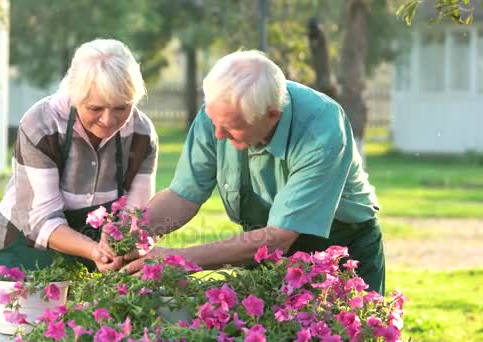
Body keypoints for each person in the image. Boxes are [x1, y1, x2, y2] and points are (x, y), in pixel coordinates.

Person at [120, 50, 385, 294]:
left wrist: (177, 258)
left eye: (232, 128)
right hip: (258, 248)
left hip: (338, 248)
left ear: (272, 114)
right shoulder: (220, 111)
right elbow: (182, 196)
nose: (218, 135)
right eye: (215, 122)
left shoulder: (321, 127)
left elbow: (278, 238)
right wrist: (132, 234)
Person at [0, 39, 158, 273]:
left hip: (102, 250)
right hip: (27, 246)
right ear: (75, 96)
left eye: (121, 108)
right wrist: (94, 250)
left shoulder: (142, 134)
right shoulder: (41, 125)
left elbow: (137, 211)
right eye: (95, 108)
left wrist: (125, 242)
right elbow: (41, 219)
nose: (108, 120)